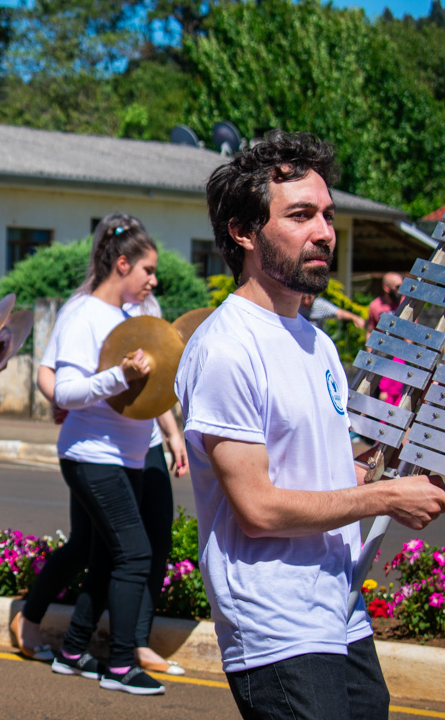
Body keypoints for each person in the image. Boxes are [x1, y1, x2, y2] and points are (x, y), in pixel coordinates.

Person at [177, 129, 445, 719]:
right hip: (276, 623)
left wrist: (398, 461)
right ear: (244, 232)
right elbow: (260, 508)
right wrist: (385, 496)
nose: (323, 232)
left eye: (326, 214)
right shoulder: (226, 348)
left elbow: (327, 474)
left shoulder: (318, 342)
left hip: (339, 609)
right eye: (300, 215)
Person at [17, 213, 188, 678]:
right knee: (114, 551)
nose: (155, 280)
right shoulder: (83, 313)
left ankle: (77, 649)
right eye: (148, 270)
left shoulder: (140, 312)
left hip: (133, 451)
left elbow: (153, 389)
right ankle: (117, 660)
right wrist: (116, 377)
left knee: (113, 552)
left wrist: (172, 434)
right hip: (95, 453)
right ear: (121, 263)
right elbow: (63, 385)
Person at [298, 292, 365, 331]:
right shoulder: (296, 306)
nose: (306, 302)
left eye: (309, 298)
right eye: (303, 298)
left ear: (314, 295)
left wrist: (355, 318)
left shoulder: (319, 304)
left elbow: (339, 313)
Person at [366, 272, 403, 338]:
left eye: (402, 286)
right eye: (398, 287)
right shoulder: (375, 305)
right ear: (386, 288)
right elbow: (370, 332)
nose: (401, 291)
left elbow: (410, 335)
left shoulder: (406, 304)